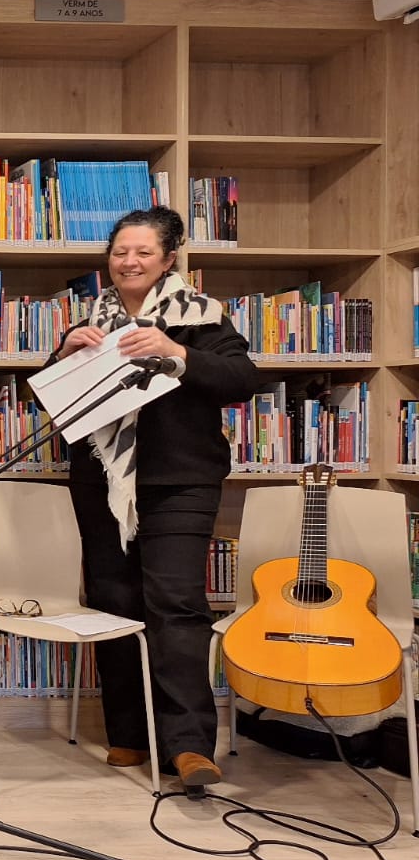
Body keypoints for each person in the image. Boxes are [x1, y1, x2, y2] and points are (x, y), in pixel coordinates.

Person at [48, 206, 257, 789]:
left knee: (176, 605)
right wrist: (65, 353)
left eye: (143, 252)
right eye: (120, 252)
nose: (129, 262)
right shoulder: (92, 319)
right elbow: (55, 404)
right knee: (114, 603)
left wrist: (176, 350)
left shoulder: (202, 317)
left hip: (181, 483)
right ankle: (128, 734)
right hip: (102, 484)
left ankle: (188, 746)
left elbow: (242, 380)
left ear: (169, 259)